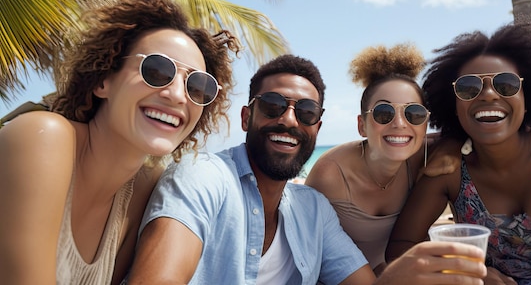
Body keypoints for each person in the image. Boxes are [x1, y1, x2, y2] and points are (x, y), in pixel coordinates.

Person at [126, 54, 487, 285]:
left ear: (317, 126)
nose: (288, 120)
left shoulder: (313, 211)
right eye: (272, 106)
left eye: (306, 113)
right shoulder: (203, 177)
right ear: (246, 116)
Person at [0, 0, 238, 284]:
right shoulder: (42, 137)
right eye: (157, 70)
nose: (177, 95)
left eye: (197, 86)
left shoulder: (143, 188)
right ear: (104, 79)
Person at [387, 22, 531, 285]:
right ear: (453, 103)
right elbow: (400, 246)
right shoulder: (449, 167)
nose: (489, 94)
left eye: (506, 84)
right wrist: (462, 270)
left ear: (527, 96)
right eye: (469, 87)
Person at [305, 43, 430, 275]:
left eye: (414, 113)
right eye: (384, 113)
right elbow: (307, 252)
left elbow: (468, 136)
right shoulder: (331, 174)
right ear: (361, 125)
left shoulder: (423, 156)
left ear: (425, 124)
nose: (400, 124)